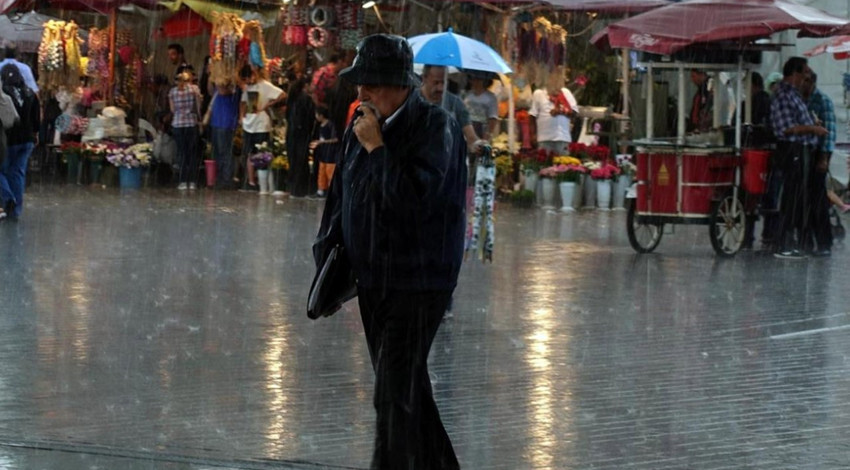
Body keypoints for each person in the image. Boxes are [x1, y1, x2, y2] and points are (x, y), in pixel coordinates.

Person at [313, 34, 466, 470]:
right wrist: (327, 265)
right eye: (359, 83)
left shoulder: (436, 127)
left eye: (372, 83)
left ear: (401, 85)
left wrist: (378, 149)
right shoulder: (360, 124)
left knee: (393, 394)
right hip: (373, 280)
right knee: (406, 390)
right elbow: (340, 199)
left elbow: (414, 204)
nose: (362, 92)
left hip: (419, 281)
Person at [769, 57, 828, 259]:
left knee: (798, 198)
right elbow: (786, 128)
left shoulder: (794, 95)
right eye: (804, 72)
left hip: (801, 150)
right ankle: (783, 243)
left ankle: (794, 242)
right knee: (791, 197)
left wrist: (812, 123)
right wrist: (812, 128)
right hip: (791, 150)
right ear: (795, 73)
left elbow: (796, 121)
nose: (807, 76)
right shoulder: (784, 95)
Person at [801, 70, 835, 256]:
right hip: (804, 154)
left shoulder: (822, 101)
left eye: (806, 81)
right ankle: (807, 241)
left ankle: (824, 243)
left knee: (818, 201)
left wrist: (824, 159)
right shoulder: (801, 100)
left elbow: (829, 134)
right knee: (804, 200)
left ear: (812, 82)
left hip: (817, 156)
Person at [0, 64, 39, 220]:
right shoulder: (30, 93)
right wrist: (35, 134)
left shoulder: (3, 94)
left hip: (9, 140)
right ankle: (16, 210)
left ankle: (8, 198)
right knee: (18, 173)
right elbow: (36, 119)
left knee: (2, 171)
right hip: (27, 140)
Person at [240, 65, 285, 190]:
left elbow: (282, 94)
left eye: (249, 78)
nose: (248, 81)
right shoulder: (247, 87)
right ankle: (251, 181)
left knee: (261, 152)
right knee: (249, 153)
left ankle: (262, 182)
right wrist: (241, 117)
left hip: (261, 124)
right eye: (246, 79)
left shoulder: (265, 85)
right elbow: (243, 103)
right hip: (248, 123)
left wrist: (268, 105)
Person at [420, 65, 485, 153]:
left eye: (443, 83)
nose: (440, 88)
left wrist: (477, 145)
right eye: (436, 83)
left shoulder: (455, 103)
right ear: (424, 78)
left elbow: (471, 137)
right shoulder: (412, 99)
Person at [529, 73, 578, 155]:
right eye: (553, 78)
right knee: (544, 165)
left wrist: (561, 111)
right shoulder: (539, 93)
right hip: (544, 138)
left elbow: (575, 113)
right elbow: (532, 116)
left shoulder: (566, 93)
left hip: (562, 137)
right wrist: (533, 135)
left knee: (563, 165)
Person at [203, 83, 241, 189]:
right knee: (217, 151)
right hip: (216, 121)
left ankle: (226, 179)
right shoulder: (216, 88)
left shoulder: (231, 86)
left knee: (225, 151)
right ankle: (218, 177)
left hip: (225, 122)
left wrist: (217, 77)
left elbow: (222, 91)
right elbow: (212, 94)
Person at [169, 71, 202, 190]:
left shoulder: (172, 92)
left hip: (178, 124)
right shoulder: (194, 90)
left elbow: (172, 110)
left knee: (181, 152)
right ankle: (192, 181)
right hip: (191, 123)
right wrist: (199, 118)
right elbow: (197, 107)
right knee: (192, 153)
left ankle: (182, 180)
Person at [285, 78, 315, 197]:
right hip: (302, 134)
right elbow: (310, 118)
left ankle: (293, 188)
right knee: (301, 161)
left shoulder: (292, 99)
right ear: (305, 85)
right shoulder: (306, 99)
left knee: (294, 161)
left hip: (292, 134)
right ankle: (301, 189)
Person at [309, 105, 338, 198]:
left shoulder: (330, 124)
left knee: (330, 171)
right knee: (321, 171)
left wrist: (323, 142)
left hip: (330, 151)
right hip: (323, 151)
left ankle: (332, 191)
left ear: (321, 115)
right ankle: (321, 189)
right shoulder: (319, 125)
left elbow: (335, 139)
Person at [463, 71, 499, 142]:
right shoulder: (467, 95)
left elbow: (493, 118)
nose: (476, 82)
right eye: (474, 79)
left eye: (479, 79)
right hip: (468, 126)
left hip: (482, 128)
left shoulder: (490, 97)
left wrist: (487, 135)